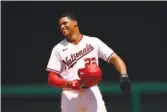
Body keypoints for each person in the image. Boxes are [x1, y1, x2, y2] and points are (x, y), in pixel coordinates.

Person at [46, 12, 130, 112]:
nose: (62, 26)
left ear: (74, 23)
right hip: (70, 94)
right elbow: (51, 78)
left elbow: (115, 58)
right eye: (60, 25)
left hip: (91, 90)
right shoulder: (58, 49)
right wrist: (69, 84)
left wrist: (124, 75)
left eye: (65, 23)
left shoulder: (93, 42)